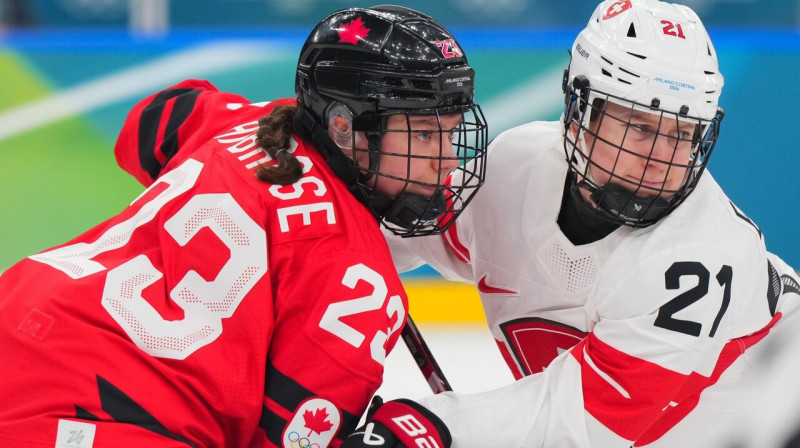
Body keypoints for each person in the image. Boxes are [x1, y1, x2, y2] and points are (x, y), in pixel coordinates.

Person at [0, 5, 487, 448]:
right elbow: (285, 440)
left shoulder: (248, 122)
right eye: (424, 133)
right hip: (96, 416)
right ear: (344, 126)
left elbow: (147, 123)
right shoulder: (356, 283)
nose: (444, 160)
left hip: (20, 318)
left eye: (450, 131)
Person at [342, 0, 800, 447]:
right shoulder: (514, 168)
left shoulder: (701, 261)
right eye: (641, 127)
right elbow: (393, 236)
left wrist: (434, 425)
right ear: (581, 111)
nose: (663, 158)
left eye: (682, 133)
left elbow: (582, 423)